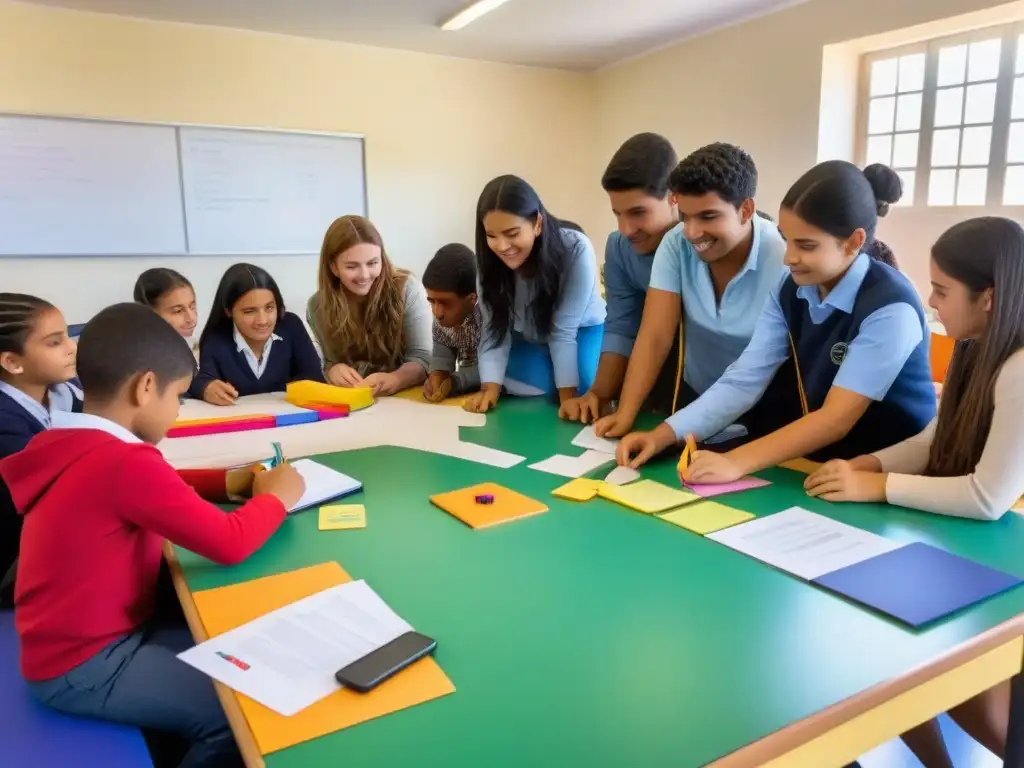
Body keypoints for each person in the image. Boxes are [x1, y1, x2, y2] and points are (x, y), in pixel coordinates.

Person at [0, 302, 305, 768]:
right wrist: (277, 496)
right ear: (146, 388)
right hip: (86, 665)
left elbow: (154, 483)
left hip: (70, 641)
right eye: (178, 397)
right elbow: (230, 542)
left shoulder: (69, 440)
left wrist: (227, 481)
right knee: (239, 715)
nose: (177, 412)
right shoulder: (123, 463)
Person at [803, 216, 1024, 768]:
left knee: (970, 700)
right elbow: (934, 438)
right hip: (972, 551)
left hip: (1002, 565)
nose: (932, 302)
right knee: (893, 650)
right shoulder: (975, 347)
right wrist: (867, 462)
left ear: (989, 297)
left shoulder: (1020, 367)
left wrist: (876, 486)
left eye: (942, 291)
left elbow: (986, 497)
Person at [618, 161, 937, 482]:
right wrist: (662, 435)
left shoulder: (890, 307)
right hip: (824, 463)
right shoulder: (789, 289)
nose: (788, 258)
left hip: (893, 470)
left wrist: (736, 462)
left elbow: (835, 418)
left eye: (806, 245)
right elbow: (743, 380)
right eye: (787, 240)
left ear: (854, 242)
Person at [592, 143, 788, 440]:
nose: (693, 232)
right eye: (685, 216)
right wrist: (625, 414)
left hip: (766, 405)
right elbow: (654, 336)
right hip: (694, 398)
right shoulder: (675, 243)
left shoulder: (782, 258)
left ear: (745, 209)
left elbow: (751, 377)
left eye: (708, 216)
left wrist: (663, 435)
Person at [559, 133, 681, 424]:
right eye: (617, 214)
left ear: (674, 196)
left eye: (638, 213)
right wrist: (598, 395)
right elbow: (621, 327)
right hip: (651, 378)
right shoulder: (619, 248)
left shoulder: (701, 243)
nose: (626, 229)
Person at [466, 175, 606, 414]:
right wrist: (489, 389)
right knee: (502, 378)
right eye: (491, 235)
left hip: (580, 332)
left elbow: (563, 330)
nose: (502, 246)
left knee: (582, 385)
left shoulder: (575, 249)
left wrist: (567, 400)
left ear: (537, 224)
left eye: (512, 233)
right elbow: (493, 328)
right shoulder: (487, 264)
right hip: (530, 336)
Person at [306, 215, 432, 398]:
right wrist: (332, 368)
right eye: (352, 266)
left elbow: (423, 356)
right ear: (333, 267)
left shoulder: (407, 288)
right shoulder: (317, 306)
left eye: (373, 263)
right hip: (354, 406)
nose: (364, 275)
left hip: (407, 399)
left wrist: (397, 379)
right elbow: (326, 361)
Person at [193, 263, 323, 405]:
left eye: (269, 308)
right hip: (241, 423)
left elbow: (315, 377)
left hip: (290, 418)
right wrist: (205, 388)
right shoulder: (216, 338)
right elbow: (199, 380)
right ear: (228, 311)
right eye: (249, 311)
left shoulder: (291, 326)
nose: (262, 320)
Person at [422, 243, 481, 401]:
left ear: (471, 299)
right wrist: (438, 373)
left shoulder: (489, 315)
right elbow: (442, 344)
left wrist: (457, 381)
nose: (437, 312)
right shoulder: (442, 316)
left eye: (445, 303)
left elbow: (497, 365)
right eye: (432, 301)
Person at [133, 268, 198, 341]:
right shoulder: (137, 350)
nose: (191, 318)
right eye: (178, 311)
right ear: (149, 314)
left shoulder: (194, 345)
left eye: (192, 307)